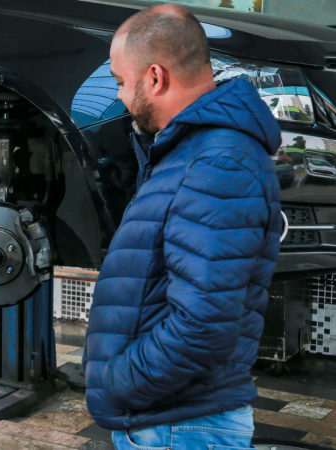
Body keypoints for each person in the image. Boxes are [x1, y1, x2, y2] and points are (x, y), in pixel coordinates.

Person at [82, 4, 282, 449]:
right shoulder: (193, 153)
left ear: (155, 77)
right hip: (173, 421)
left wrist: (117, 381)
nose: (116, 96)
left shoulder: (218, 163)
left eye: (119, 81)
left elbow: (203, 324)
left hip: (180, 427)